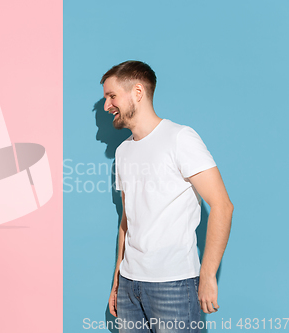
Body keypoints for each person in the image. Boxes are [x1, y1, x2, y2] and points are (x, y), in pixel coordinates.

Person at [102, 61, 233, 332]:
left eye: (111, 96)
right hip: (129, 284)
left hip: (173, 283)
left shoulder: (180, 138)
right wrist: (117, 279)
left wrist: (207, 276)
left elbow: (222, 205)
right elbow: (127, 220)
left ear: (137, 91)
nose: (107, 106)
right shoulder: (123, 152)